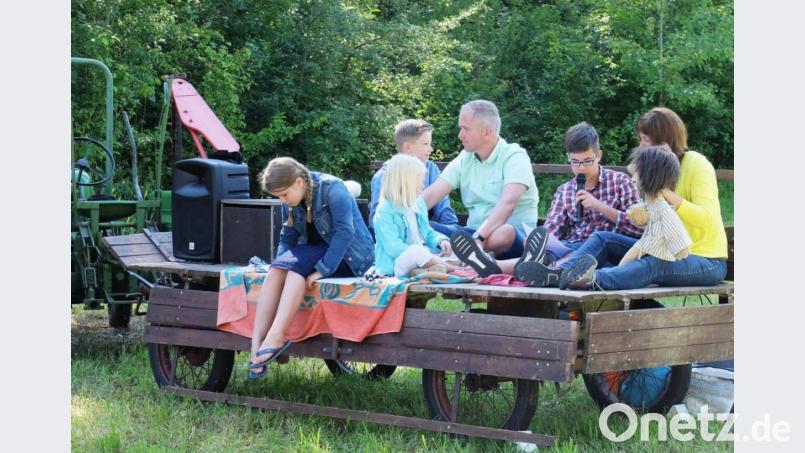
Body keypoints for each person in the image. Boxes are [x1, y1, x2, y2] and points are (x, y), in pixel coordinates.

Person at [528, 107, 729, 290]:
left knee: (653, 264)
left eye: (646, 139)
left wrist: (666, 193)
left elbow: (706, 220)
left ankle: (589, 280)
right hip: (663, 250)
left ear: (665, 142)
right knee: (602, 238)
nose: (640, 145)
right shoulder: (657, 167)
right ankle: (558, 274)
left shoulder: (697, 164)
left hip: (706, 259)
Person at [248, 157, 375, 379]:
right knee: (276, 271)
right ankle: (256, 345)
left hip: (349, 255)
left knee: (296, 272)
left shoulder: (334, 189)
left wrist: (322, 269)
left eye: (284, 194)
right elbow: (287, 237)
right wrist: (279, 265)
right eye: (278, 196)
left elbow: (345, 233)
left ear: (299, 182)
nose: (282, 200)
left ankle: (277, 336)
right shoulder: (289, 198)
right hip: (315, 249)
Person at [421, 100, 539, 260]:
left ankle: (461, 256)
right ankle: (469, 256)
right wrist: (400, 217)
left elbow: (508, 203)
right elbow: (431, 196)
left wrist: (479, 239)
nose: (460, 135)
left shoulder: (515, 156)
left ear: (486, 132)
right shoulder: (465, 158)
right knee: (421, 226)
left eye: (466, 129)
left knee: (505, 232)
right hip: (472, 235)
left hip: (511, 239)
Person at [540, 121, 643, 265]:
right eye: (575, 161)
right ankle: (501, 267)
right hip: (573, 248)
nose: (581, 168)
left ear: (599, 155)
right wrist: (540, 240)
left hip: (609, 251)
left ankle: (553, 270)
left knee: (593, 246)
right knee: (545, 252)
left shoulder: (620, 182)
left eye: (587, 161)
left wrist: (601, 207)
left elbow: (639, 228)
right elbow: (552, 229)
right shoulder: (565, 190)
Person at [373, 154, 464, 277]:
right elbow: (393, 247)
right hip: (396, 265)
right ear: (403, 183)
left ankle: (429, 269)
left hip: (424, 256)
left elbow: (427, 232)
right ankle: (455, 269)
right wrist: (425, 253)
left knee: (455, 249)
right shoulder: (384, 211)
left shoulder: (418, 203)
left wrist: (440, 241)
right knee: (416, 251)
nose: (422, 186)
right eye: (418, 182)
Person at [369, 119, 459, 237]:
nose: (431, 149)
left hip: (431, 232)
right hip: (399, 232)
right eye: (426, 144)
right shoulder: (384, 176)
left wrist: (451, 228)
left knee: (453, 230)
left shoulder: (431, 169)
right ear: (408, 147)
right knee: (418, 226)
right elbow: (376, 221)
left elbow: (443, 208)